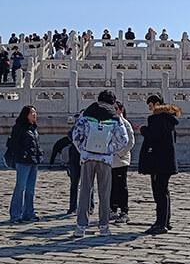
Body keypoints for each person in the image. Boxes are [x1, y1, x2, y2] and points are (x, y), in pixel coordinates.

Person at [71, 90, 130, 237]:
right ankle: (104, 227)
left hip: (87, 158)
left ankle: (80, 227)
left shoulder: (87, 113)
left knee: (85, 191)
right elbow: (124, 140)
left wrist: (83, 150)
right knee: (105, 193)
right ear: (113, 102)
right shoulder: (115, 117)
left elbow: (76, 135)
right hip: (105, 159)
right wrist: (110, 150)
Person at [139, 95, 181, 235]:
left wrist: (143, 130)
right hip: (168, 162)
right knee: (164, 192)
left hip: (157, 162)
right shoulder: (170, 120)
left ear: (156, 104)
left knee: (159, 193)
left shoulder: (156, 119)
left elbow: (154, 137)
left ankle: (160, 223)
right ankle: (165, 221)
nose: (150, 108)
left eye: (150, 105)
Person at [8, 105, 42, 223]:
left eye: (35, 113)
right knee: (20, 188)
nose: (34, 115)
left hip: (33, 161)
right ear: (26, 115)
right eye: (32, 113)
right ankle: (15, 214)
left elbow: (36, 144)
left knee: (30, 189)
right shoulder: (19, 127)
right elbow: (13, 144)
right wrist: (22, 154)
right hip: (23, 161)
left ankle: (28, 213)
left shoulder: (33, 128)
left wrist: (39, 154)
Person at [110, 101, 135, 224]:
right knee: (111, 186)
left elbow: (130, 142)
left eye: (116, 108)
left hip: (121, 160)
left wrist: (120, 153)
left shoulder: (125, 123)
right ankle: (112, 209)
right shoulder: (109, 122)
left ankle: (124, 211)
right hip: (110, 160)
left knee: (121, 186)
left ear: (121, 110)